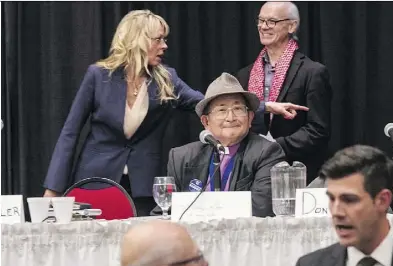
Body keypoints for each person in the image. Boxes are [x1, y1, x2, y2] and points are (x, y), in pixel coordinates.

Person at [43, 9, 306, 216]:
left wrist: (264, 106)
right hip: (95, 181)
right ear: (137, 40)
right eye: (158, 39)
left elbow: (209, 104)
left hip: (143, 187)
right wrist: (53, 190)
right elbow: (70, 132)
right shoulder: (98, 76)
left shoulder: (166, 79)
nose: (165, 45)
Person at [237, 1, 332, 184]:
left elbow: (318, 130)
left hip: (295, 172)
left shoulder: (312, 72)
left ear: (292, 26)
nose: (264, 27)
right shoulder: (245, 75)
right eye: (261, 20)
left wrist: (272, 147)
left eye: (272, 21)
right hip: (250, 172)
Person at [167, 73, 285, 217]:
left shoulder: (267, 152)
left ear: (250, 118)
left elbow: (261, 207)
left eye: (238, 109)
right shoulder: (181, 157)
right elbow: (167, 210)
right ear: (206, 122)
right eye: (222, 110)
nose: (230, 118)